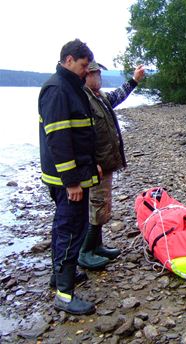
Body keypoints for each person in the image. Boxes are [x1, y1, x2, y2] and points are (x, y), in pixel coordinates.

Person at [39, 39, 99, 315]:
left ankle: (59, 277)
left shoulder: (70, 87)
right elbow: (59, 139)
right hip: (66, 180)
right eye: (83, 66)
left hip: (75, 173)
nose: (86, 72)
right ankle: (64, 294)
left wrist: (92, 165)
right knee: (70, 229)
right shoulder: (58, 89)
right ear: (68, 60)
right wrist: (73, 181)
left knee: (66, 226)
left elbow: (81, 135)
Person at [78, 61, 145, 269]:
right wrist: (91, 162)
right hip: (96, 166)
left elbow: (118, 95)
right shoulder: (83, 100)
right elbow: (81, 137)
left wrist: (134, 80)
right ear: (85, 76)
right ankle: (85, 252)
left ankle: (97, 247)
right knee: (97, 205)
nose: (98, 76)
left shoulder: (100, 97)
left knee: (104, 204)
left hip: (105, 163)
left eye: (99, 73)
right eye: (94, 73)